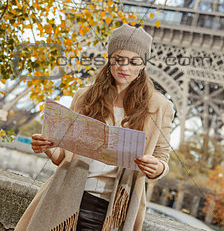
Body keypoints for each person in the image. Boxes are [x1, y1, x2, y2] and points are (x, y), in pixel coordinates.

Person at [15, 23, 174, 231]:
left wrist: (157, 167)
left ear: (143, 64)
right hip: (67, 199)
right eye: (118, 59)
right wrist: (49, 147)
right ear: (109, 60)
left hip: (114, 211)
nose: (124, 67)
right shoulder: (84, 96)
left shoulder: (160, 106)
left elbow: (162, 157)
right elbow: (64, 157)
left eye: (133, 61)